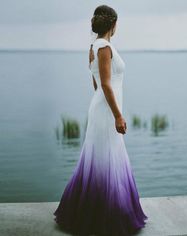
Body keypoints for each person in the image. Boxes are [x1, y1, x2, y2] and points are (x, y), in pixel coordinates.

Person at [53, 4, 148, 236]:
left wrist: (106, 104)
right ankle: (107, 218)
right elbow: (105, 83)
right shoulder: (104, 47)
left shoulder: (93, 46)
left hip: (100, 106)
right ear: (113, 25)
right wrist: (118, 115)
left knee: (102, 159)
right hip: (106, 110)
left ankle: (92, 212)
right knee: (106, 160)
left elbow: (95, 82)